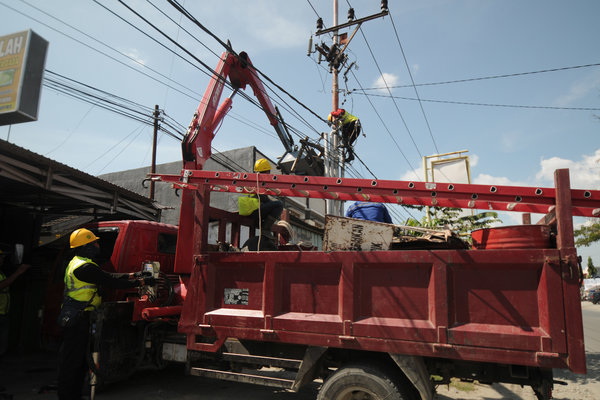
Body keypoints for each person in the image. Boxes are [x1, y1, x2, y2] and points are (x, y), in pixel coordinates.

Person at [58, 228, 154, 400]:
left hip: (78, 317)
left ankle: (73, 395)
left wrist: (135, 274)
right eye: (94, 242)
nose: (97, 245)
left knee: (78, 361)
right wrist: (141, 281)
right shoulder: (85, 267)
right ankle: (68, 396)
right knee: (73, 362)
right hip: (78, 318)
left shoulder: (78, 262)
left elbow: (107, 276)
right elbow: (111, 281)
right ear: (86, 247)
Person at [238, 158, 284, 238]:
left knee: (273, 206)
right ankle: (265, 229)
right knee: (279, 204)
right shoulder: (258, 182)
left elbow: (265, 200)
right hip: (253, 211)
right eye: (269, 171)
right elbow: (267, 198)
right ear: (267, 171)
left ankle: (264, 227)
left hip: (250, 211)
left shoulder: (254, 181)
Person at [0, 246, 31, 356]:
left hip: (3, 312)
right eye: (1, 257)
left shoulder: (1, 272)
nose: (2, 260)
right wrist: (18, 272)